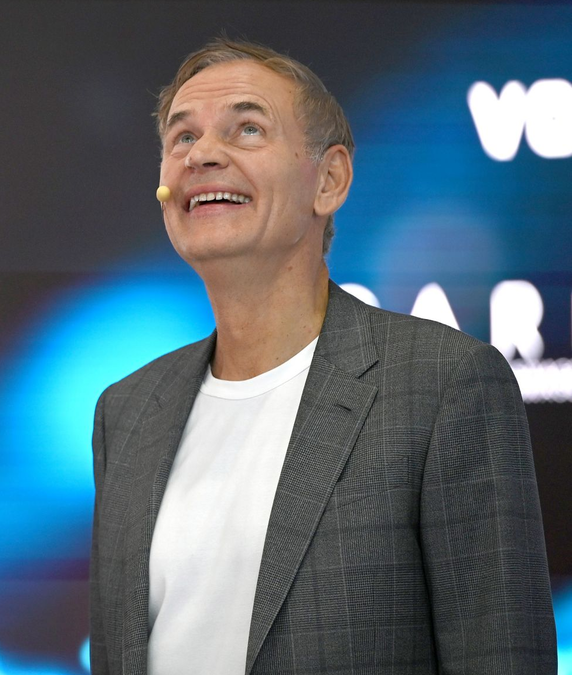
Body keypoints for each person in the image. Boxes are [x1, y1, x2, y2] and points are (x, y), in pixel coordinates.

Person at [90, 39, 555, 674]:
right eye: (183, 137)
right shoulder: (126, 412)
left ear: (329, 180)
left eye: (247, 128)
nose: (201, 154)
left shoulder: (443, 383)